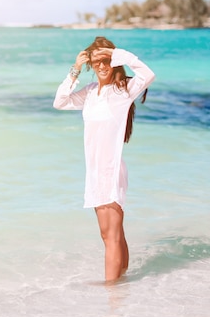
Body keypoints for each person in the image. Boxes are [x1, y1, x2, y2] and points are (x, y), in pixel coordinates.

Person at [53, 36, 155, 282]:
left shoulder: (123, 91)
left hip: (109, 171)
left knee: (110, 236)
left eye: (106, 60)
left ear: (114, 61)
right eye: (95, 61)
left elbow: (148, 74)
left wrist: (119, 53)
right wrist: (75, 70)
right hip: (95, 172)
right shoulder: (89, 93)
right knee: (113, 233)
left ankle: (112, 295)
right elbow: (60, 102)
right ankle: (124, 282)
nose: (101, 66)